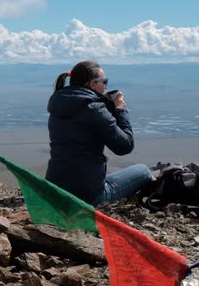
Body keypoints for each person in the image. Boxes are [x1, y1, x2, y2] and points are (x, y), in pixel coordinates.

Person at [45, 60, 152, 206]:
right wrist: (120, 111)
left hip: (55, 191)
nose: (106, 86)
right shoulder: (93, 108)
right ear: (92, 84)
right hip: (87, 197)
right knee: (143, 171)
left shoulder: (58, 105)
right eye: (104, 82)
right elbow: (125, 146)